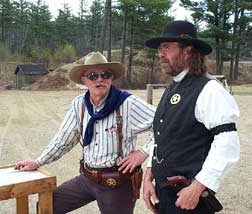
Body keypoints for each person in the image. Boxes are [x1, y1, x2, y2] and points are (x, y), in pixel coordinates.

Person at [15, 51, 155, 214]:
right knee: (47, 206)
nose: (100, 79)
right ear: (84, 80)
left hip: (117, 183)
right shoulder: (79, 104)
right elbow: (63, 140)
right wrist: (37, 162)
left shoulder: (128, 103)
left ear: (112, 78)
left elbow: (166, 125)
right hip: (87, 178)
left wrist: (144, 152)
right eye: (93, 76)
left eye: (105, 74)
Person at [143, 20, 240, 214]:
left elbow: (227, 142)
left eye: (166, 47)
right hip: (165, 193)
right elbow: (161, 137)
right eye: (160, 48)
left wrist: (198, 187)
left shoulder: (210, 90)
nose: (161, 54)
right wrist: (148, 176)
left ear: (188, 51)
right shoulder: (173, 87)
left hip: (190, 198)